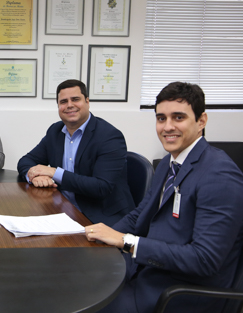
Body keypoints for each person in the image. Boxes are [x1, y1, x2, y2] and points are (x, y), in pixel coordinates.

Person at [86, 82, 243, 313]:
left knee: (89, 304)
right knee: (78, 279)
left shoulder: (220, 174)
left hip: (181, 292)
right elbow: (142, 212)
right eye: (161, 118)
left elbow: (204, 260)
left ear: (201, 121)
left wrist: (126, 242)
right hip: (149, 270)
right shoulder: (169, 162)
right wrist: (103, 237)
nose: (167, 127)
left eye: (178, 117)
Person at [17, 79, 134, 226]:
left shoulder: (109, 136)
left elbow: (101, 187)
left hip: (99, 215)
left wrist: (54, 172)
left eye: (75, 99)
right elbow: (26, 160)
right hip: (62, 208)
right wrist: (33, 176)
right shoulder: (56, 131)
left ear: (87, 101)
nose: (69, 105)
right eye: (63, 101)